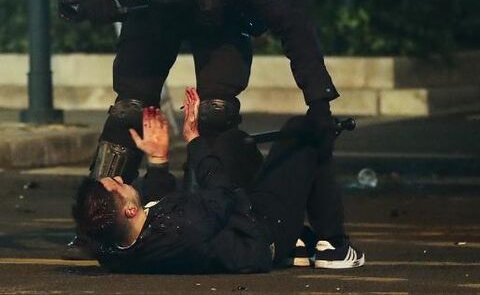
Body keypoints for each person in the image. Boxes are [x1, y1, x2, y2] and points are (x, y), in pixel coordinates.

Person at [53, 0, 338, 182]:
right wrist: (81, 2)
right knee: (130, 110)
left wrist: (319, 100)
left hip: (219, 19)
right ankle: (102, 203)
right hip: (150, 12)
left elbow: (292, 19)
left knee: (216, 112)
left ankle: (210, 198)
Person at [73, 88, 364, 272]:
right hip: (263, 231)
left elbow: (154, 204)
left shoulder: (112, 249)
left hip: (235, 222)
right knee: (306, 131)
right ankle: (334, 244)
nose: (124, 179)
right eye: (119, 187)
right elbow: (220, 191)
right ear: (129, 210)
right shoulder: (186, 226)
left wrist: (159, 158)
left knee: (233, 142)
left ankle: (301, 242)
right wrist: (193, 139)